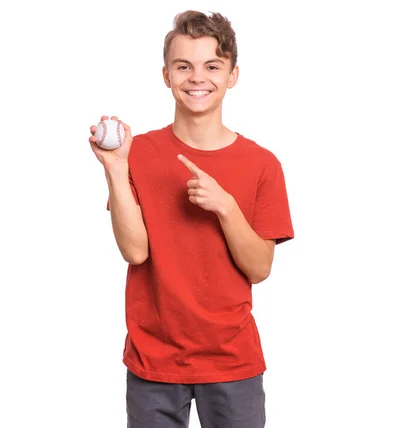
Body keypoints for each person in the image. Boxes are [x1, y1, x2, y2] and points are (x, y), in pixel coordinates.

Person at [89, 10, 294, 428]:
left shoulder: (262, 164)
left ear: (233, 75)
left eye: (212, 66)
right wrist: (114, 168)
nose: (196, 78)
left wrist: (226, 206)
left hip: (232, 361)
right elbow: (135, 251)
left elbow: (259, 268)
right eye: (183, 66)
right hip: (154, 359)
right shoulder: (138, 153)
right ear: (166, 75)